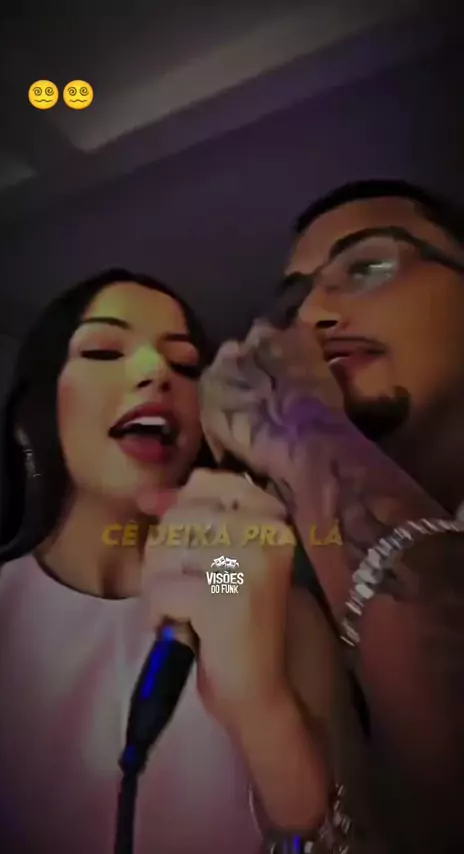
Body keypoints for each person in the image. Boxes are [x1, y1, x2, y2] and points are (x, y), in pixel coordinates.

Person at [0, 268, 373, 854]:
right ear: (27, 421)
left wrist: (259, 702)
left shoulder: (248, 592)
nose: (156, 372)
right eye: (103, 351)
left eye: (185, 365)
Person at [200, 179, 464, 854]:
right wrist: (260, 705)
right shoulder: (295, 554)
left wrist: (301, 431)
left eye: (368, 267)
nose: (313, 314)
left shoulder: (305, 458)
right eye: (296, 300)